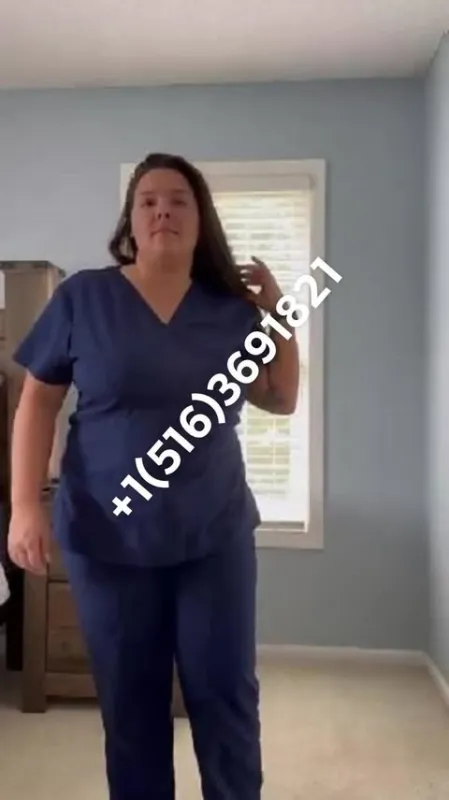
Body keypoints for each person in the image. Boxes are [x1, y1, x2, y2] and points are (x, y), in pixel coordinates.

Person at [7, 152, 300, 800]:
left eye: (178, 200)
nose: (162, 210)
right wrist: (24, 505)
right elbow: (37, 402)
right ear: (131, 222)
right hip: (107, 539)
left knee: (224, 696)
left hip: (212, 536)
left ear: (200, 220)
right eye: (148, 201)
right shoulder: (83, 297)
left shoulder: (230, 311)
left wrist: (277, 313)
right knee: (131, 706)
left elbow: (280, 398)